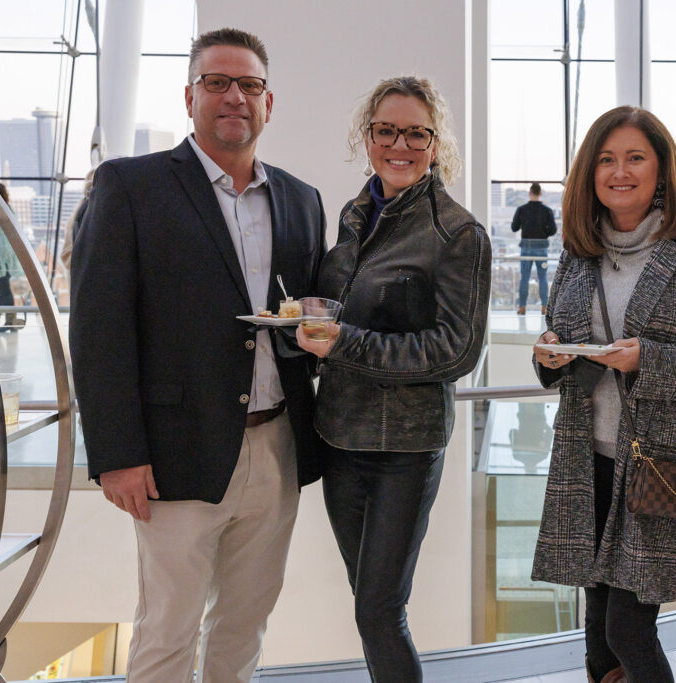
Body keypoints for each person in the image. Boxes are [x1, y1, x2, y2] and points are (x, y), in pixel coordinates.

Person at [70, 28, 327, 682]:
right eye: (217, 82)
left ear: (270, 102)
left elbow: (309, 310)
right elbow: (100, 331)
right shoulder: (130, 185)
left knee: (244, 626)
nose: (234, 96)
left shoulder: (301, 199)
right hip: (171, 453)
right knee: (168, 629)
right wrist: (117, 453)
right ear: (190, 98)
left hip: (277, 449)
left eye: (249, 85)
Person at [530, 106, 676, 683]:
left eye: (636, 157)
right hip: (588, 464)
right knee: (598, 642)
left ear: (662, 170)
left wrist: (651, 361)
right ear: (589, 172)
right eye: (606, 159)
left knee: (628, 631)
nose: (620, 171)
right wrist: (550, 353)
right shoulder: (578, 252)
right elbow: (561, 337)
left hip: (663, 470)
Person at [295, 75, 491, 683]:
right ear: (368, 135)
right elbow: (337, 313)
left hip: (404, 451)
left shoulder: (457, 234)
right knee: (368, 603)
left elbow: (455, 352)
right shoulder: (354, 215)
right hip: (340, 439)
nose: (399, 144)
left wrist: (344, 342)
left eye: (416, 133)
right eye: (386, 130)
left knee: (380, 609)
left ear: (436, 144)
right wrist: (307, 321)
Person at [512, 182, 557, 315]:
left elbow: (514, 227)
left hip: (526, 246)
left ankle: (522, 307)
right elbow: (553, 230)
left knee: (524, 277)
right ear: (540, 194)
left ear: (529, 193)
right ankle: (544, 307)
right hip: (541, 247)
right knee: (542, 277)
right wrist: (544, 233)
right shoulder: (547, 210)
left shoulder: (522, 209)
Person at [0, 182, 24, 330]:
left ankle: (8, 320)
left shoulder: (6, 211)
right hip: (5, 258)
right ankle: (9, 320)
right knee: (3, 289)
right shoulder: (9, 210)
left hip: (0, 259)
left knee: (2, 290)